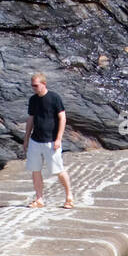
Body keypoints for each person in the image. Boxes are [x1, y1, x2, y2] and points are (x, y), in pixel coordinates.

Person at [23, 73, 74, 210]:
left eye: (36, 85)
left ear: (43, 84)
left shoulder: (54, 98)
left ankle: (69, 196)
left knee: (58, 170)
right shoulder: (33, 100)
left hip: (51, 141)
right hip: (35, 140)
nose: (33, 88)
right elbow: (30, 119)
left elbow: (62, 118)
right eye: (32, 85)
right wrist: (26, 139)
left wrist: (58, 138)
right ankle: (39, 199)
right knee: (35, 170)